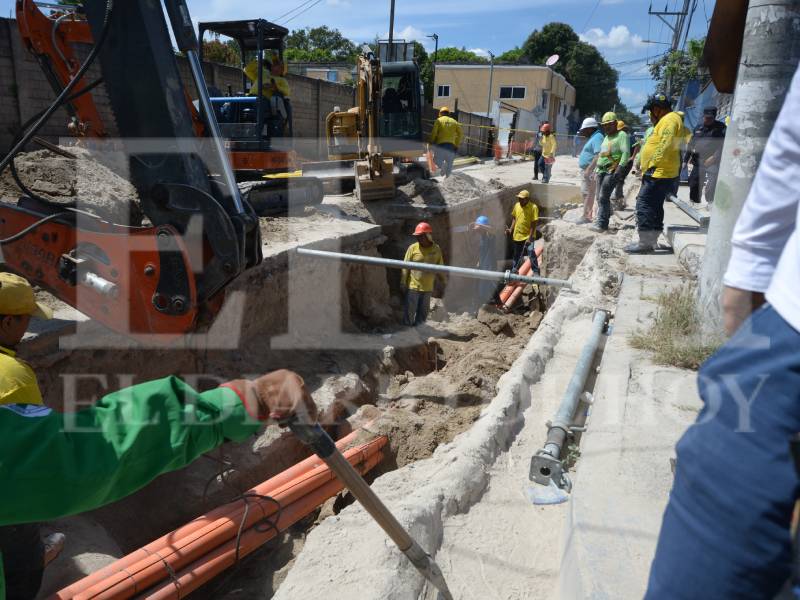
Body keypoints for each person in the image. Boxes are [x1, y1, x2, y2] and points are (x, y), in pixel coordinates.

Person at [0, 276, 318, 600]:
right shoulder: (10, 376)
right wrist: (240, 403)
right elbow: (63, 458)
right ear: (8, 320)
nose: (26, 328)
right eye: (24, 319)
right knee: (19, 558)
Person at [645, 65, 800, 600]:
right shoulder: (666, 131)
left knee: (726, 491)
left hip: (790, 338)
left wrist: (751, 268)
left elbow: (788, 148)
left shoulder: (665, 131)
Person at [626, 94, 683, 254]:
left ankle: (645, 243)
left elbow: (666, 143)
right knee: (655, 206)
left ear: (657, 109)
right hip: (659, 171)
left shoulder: (670, 120)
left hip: (658, 171)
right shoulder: (668, 120)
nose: (650, 116)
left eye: (651, 112)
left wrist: (652, 164)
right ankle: (652, 240)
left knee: (644, 204)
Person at [590, 111, 629, 233]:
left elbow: (625, 153)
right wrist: (596, 170)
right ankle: (603, 217)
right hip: (601, 170)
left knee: (603, 196)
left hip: (612, 170)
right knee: (598, 197)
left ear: (615, 123)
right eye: (605, 125)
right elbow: (602, 155)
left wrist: (620, 168)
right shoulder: (606, 137)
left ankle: (602, 223)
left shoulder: (622, 135)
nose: (607, 127)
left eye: (610, 124)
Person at [401, 222, 445, 326]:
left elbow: (441, 267)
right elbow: (405, 266)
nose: (419, 239)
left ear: (428, 236)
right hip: (413, 286)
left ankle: (420, 332)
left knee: (423, 312)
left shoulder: (436, 249)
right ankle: (407, 332)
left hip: (428, 287)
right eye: (417, 236)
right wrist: (403, 282)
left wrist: (444, 281)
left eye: (421, 236)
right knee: (410, 311)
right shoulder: (412, 248)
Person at [684, 106, 726, 204]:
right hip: (698, 160)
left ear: (714, 117)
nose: (707, 120)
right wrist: (686, 160)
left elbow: (723, 144)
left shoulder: (721, 128)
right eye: (706, 117)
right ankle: (694, 201)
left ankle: (710, 201)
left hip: (713, 160)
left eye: (710, 118)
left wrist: (714, 157)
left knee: (712, 183)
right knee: (694, 182)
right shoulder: (698, 128)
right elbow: (691, 144)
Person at [506, 190, 540, 274]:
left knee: (531, 253)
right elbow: (514, 217)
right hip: (517, 234)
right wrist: (511, 229)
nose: (519, 200)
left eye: (522, 199)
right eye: (519, 198)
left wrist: (530, 237)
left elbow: (534, 223)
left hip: (529, 236)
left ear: (527, 199)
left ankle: (536, 271)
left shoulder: (533, 207)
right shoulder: (517, 205)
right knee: (516, 254)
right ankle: (515, 270)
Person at [578, 117, 604, 224]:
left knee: (587, 192)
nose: (583, 132)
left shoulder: (597, 137)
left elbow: (599, 154)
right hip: (588, 169)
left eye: (584, 130)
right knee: (588, 192)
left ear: (590, 129)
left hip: (590, 170)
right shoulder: (595, 136)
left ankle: (586, 216)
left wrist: (589, 169)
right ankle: (588, 214)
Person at [471, 216, 499, 307]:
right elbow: (482, 252)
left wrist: (480, 225)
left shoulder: (490, 236)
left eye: (479, 228)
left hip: (490, 265)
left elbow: (493, 230)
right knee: (480, 286)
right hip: (483, 265)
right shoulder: (482, 237)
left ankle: (497, 304)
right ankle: (482, 304)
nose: (477, 231)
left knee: (490, 285)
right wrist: (479, 262)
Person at [429, 107, 463, 178]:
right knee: (450, 164)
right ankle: (448, 180)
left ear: (440, 113)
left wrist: (431, 142)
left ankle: (442, 166)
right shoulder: (454, 121)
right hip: (451, 146)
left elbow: (434, 133)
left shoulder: (438, 120)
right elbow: (460, 134)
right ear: (449, 114)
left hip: (441, 145)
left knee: (436, 160)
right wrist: (456, 145)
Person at [612, 120, 634, 210]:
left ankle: (619, 202)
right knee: (617, 181)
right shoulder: (620, 137)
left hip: (626, 163)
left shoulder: (628, 137)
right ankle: (619, 200)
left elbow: (637, 146)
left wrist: (632, 157)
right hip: (620, 162)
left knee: (619, 181)